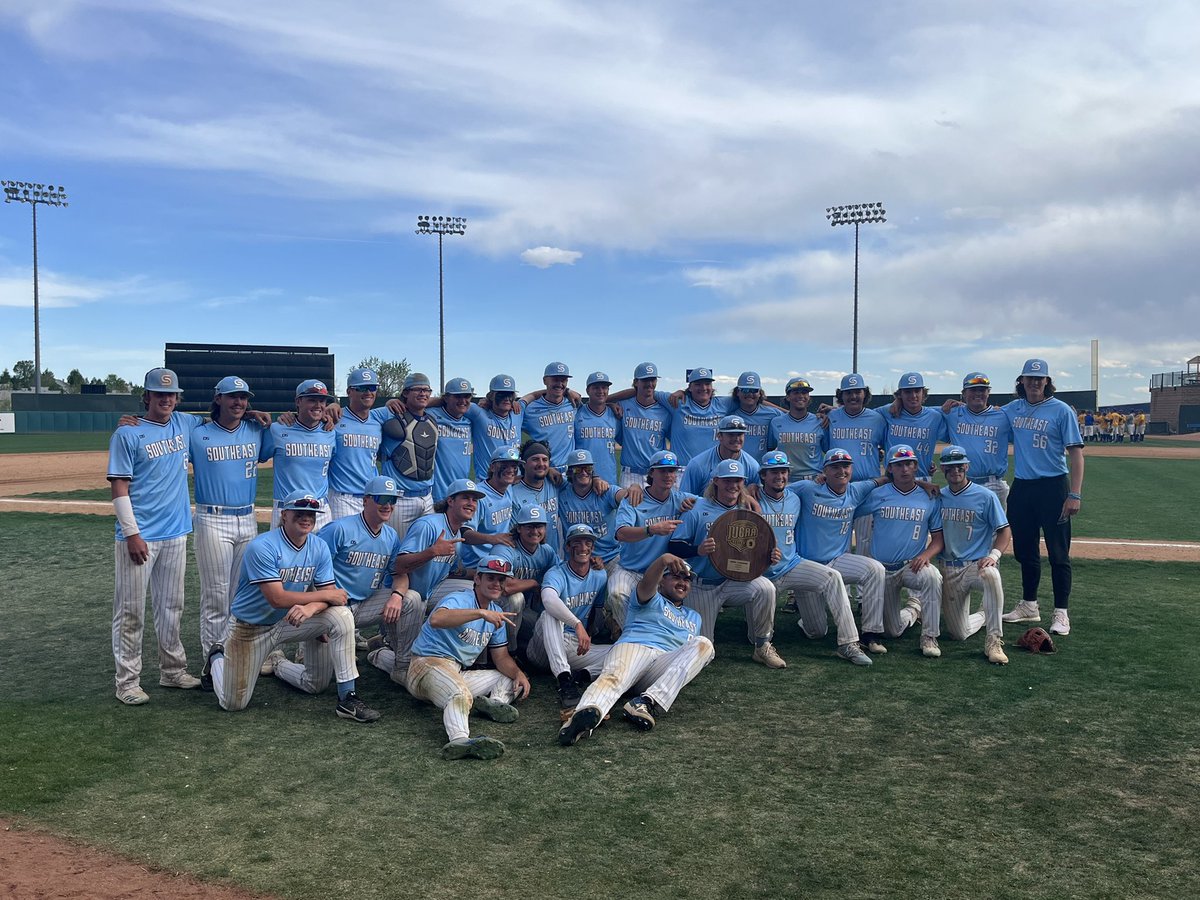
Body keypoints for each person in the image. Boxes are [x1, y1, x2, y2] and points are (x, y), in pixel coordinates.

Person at [199, 490, 381, 723]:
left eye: (311, 514)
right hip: (250, 629)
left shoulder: (318, 546)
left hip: (289, 621)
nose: (307, 518)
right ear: (284, 515)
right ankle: (217, 657)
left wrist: (312, 608)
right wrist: (321, 599)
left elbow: (333, 598)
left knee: (339, 621)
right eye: (300, 512)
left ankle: (348, 698)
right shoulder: (262, 546)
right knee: (233, 703)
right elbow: (277, 598)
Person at [108, 367, 203, 705]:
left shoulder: (186, 423)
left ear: (177, 398)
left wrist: (251, 411)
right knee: (131, 611)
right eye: (158, 394)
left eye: (171, 394)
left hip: (176, 531)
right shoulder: (127, 433)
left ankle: (172, 670)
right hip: (140, 536)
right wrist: (132, 533)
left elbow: (223, 417)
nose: (165, 399)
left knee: (171, 607)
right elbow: (119, 485)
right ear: (146, 396)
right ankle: (127, 682)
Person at [265, 475, 417, 682]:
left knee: (412, 599)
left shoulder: (390, 536)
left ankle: (400, 666)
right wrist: (313, 607)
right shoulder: (339, 529)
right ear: (365, 500)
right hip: (330, 608)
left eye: (392, 500)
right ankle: (281, 662)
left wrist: (397, 595)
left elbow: (399, 574)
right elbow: (309, 569)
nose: (388, 505)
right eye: (382, 499)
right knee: (317, 681)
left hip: (364, 605)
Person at [558, 553, 714, 746]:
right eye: (675, 576)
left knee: (705, 644)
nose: (682, 582)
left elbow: (685, 660)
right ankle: (581, 720)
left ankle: (646, 702)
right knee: (614, 678)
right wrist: (662, 560)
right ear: (661, 581)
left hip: (661, 667)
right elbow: (648, 582)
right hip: (637, 646)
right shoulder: (649, 597)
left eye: (687, 579)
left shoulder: (694, 617)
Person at [406, 554, 532, 760]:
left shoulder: (496, 611)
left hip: (454, 670)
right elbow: (437, 619)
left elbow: (501, 658)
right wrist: (480, 613)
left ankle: (494, 703)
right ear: (477, 579)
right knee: (459, 693)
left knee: (508, 677)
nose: (496, 583)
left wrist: (519, 674)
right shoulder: (460, 598)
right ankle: (459, 739)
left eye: (501, 579)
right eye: (490, 578)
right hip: (426, 664)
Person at [755, 450, 871, 666]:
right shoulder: (751, 498)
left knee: (832, 578)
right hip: (760, 575)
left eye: (783, 471)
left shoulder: (796, 495)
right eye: (773, 472)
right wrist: (748, 491)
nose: (779, 476)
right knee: (754, 637)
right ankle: (762, 645)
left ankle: (848, 644)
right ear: (762, 475)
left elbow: (815, 489)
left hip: (791, 565)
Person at [667, 459, 785, 668]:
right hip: (702, 585)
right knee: (704, 653)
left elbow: (757, 547)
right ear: (716, 482)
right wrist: (697, 550)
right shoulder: (697, 508)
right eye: (727, 480)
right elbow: (674, 545)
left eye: (738, 480)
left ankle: (762, 645)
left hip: (732, 581)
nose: (733, 485)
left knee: (766, 588)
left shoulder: (745, 510)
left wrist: (770, 555)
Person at [368, 478, 484, 685]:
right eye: (465, 497)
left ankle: (464, 653)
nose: (471, 503)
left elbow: (451, 572)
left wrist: (485, 573)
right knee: (408, 664)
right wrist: (432, 551)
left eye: (474, 499)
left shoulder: (455, 531)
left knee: (476, 593)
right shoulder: (428, 525)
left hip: (429, 591)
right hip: (404, 597)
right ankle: (381, 655)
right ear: (450, 500)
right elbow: (399, 566)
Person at [190, 375, 273, 661]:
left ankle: (234, 653)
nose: (239, 402)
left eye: (243, 397)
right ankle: (213, 662)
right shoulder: (198, 433)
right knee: (216, 594)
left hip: (247, 518)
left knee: (241, 593)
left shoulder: (256, 430)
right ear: (218, 399)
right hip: (212, 518)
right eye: (232, 396)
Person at [999, 359, 1085, 636]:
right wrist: (955, 405)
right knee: (1025, 551)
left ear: (1047, 381)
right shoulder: (1013, 409)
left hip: (1053, 487)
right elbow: (983, 414)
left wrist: (1074, 494)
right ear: (1021, 381)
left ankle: (1061, 612)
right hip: (1023, 487)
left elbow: (1076, 454)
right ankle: (1029, 604)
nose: (1034, 383)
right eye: (1030, 378)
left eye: (1040, 379)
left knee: (1059, 554)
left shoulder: (1061, 411)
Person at [788, 448, 896, 656]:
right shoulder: (808, 488)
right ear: (824, 470)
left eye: (845, 466)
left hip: (837, 560)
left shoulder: (856, 490)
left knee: (874, 569)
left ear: (852, 469)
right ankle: (807, 617)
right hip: (806, 564)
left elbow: (885, 479)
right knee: (816, 632)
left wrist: (924, 483)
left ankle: (870, 633)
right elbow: (777, 490)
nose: (841, 471)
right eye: (834, 467)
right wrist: (754, 489)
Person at [855, 445, 945, 657]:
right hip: (882, 570)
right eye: (899, 465)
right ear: (891, 469)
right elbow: (850, 509)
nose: (905, 469)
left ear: (915, 467)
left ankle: (930, 637)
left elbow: (939, 540)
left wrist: (925, 555)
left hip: (910, 566)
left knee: (932, 576)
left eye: (909, 464)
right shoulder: (878, 494)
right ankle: (914, 609)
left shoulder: (929, 497)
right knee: (891, 632)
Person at [605, 450, 695, 636]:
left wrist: (748, 495)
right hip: (632, 569)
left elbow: (712, 504)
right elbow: (621, 534)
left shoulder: (681, 500)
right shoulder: (634, 500)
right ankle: (629, 634)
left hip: (666, 572)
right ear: (651, 473)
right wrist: (651, 530)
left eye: (672, 471)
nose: (668, 475)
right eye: (662, 471)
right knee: (616, 593)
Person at [936, 446, 1011, 664]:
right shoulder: (938, 497)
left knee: (992, 575)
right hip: (948, 567)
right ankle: (985, 615)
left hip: (975, 566)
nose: (956, 470)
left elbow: (1004, 530)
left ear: (967, 466)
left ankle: (994, 640)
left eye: (960, 465)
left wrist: (994, 555)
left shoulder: (985, 496)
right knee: (958, 633)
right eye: (950, 466)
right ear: (943, 469)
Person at [528, 523, 612, 718]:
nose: (583, 548)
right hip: (543, 646)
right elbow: (548, 599)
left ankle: (580, 676)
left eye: (587, 542)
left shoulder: (599, 574)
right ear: (567, 547)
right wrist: (577, 624)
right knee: (550, 614)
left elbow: (596, 611)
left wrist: (590, 632)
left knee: (621, 652)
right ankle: (564, 680)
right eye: (577, 542)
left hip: (573, 647)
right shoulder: (556, 573)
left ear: (593, 547)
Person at [268, 379, 338, 530]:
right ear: (298, 401)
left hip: (321, 511)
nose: (318, 405)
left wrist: (335, 406)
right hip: (287, 509)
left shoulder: (331, 432)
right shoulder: (277, 430)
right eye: (312, 400)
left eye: (322, 401)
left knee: (323, 553)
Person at [379, 372, 439, 539]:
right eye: (417, 390)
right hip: (401, 499)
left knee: (426, 548)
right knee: (396, 550)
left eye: (426, 390)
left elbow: (448, 401)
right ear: (405, 393)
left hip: (427, 497)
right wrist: (389, 402)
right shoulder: (390, 419)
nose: (423, 394)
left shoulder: (432, 420)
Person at [941, 372, 1013, 510]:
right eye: (973, 390)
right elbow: (919, 411)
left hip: (994, 485)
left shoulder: (1003, 415)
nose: (978, 393)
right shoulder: (953, 413)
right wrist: (898, 400)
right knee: (962, 528)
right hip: (962, 483)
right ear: (963, 393)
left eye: (982, 389)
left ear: (989, 392)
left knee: (997, 530)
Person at [556, 448, 637, 565]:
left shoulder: (605, 491)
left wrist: (634, 487)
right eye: (578, 469)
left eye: (588, 468)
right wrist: (549, 470)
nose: (584, 473)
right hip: (576, 561)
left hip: (610, 558)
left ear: (593, 471)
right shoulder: (562, 493)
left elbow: (625, 496)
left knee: (619, 584)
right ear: (570, 472)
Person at [326, 366, 385, 520]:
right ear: (349, 391)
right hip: (342, 498)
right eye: (361, 388)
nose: (368, 392)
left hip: (371, 498)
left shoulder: (378, 419)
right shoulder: (335, 417)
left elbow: (416, 405)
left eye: (372, 387)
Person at [608, 362, 673, 488]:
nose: (649, 384)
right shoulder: (623, 405)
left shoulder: (664, 411)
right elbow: (598, 403)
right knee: (629, 507)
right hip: (630, 473)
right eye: (645, 380)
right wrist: (610, 404)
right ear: (636, 382)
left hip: (656, 474)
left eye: (652, 379)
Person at [884, 372, 948, 481]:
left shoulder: (935, 416)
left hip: (923, 479)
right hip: (894, 481)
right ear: (900, 394)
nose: (913, 396)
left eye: (917, 391)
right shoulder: (888, 412)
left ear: (923, 393)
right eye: (908, 392)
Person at [679, 414, 761, 496]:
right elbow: (684, 498)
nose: (736, 439)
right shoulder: (697, 464)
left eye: (739, 434)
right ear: (719, 436)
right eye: (731, 435)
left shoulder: (752, 466)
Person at [427, 377, 477, 502]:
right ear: (446, 398)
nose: (463, 401)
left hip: (460, 492)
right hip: (435, 493)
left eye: (467, 396)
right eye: (457, 396)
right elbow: (413, 405)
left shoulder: (470, 420)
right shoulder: (430, 414)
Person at [767, 376, 827, 481]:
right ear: (788, 397)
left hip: (814, 480)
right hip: (786, 480)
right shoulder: (776, 422)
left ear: (809, 397)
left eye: (804, 392)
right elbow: (770, 449)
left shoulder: (820, 421)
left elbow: (829, 451)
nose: (800, 396)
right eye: (796, 392)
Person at [510, 441, 564, 555]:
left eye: (545, 460)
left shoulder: (554, 482)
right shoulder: (513, 494)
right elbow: (513, 535)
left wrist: (596, 478)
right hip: (526, 560)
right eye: (535, 459)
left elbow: (581, 476)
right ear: (523, 464)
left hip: (553, 558)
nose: (541, 464)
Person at [522, 361, 576, 469]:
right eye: (555, 379)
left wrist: (611, 404)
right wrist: (489, 401)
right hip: (543, 470)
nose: (560, 384)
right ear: (545, 380)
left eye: (564, 380)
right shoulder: (530, 409)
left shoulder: (572, 404)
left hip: (568, 471)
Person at [572, 371, 621, 483]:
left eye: (604, 387)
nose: (601, 391)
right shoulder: (577, 414)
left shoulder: (615, 415)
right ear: (587, 391)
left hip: (609, 480)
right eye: (596, 388)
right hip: (583, 480)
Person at [727, 371, 781, 459]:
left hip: (763, 467)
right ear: (737, 392)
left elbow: (790, 419)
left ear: (760, 393)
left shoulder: (773, 414)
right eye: (745, 390)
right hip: (737, 467)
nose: (749, 394)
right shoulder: (731, 417)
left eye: (754, 390)